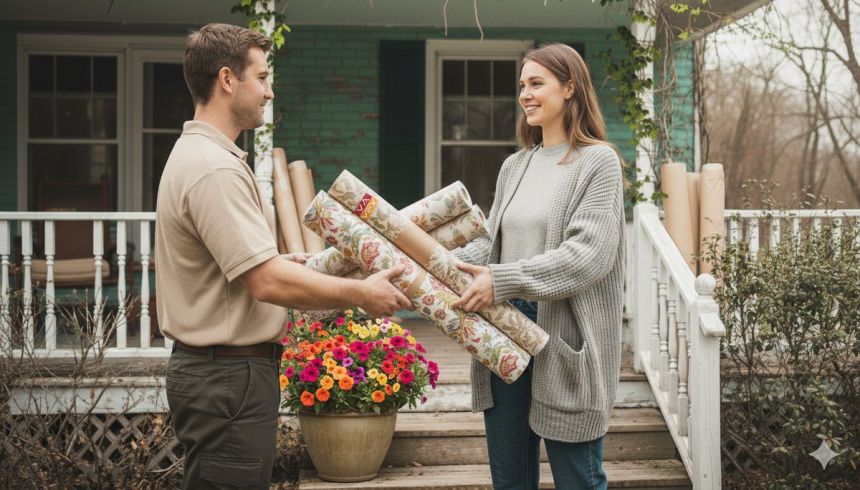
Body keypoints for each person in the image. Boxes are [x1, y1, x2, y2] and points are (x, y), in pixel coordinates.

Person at [155, 23, 411, 489]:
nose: (270, 92)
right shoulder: (213, 169)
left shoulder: (205, 156)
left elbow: (248, 271)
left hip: (224, 372)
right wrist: (360, 293)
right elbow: (265, 284)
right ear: (227, 80)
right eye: (263, 77)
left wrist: (281, 263)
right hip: (228, 376)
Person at [451, 43, 625, 490]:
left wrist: (501, 279)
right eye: (522, 85)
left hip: (563, 335)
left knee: (578, 480)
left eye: (537, 83)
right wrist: (435, 265)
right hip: (503, 327)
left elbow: (586, 257)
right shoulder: (515, 165)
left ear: (570, 88)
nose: (525, 94)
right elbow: (491, 243)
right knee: (510, 480)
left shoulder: (598, 163)